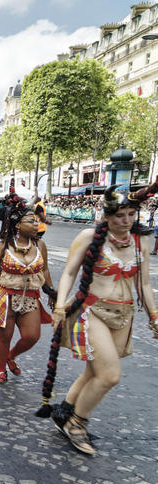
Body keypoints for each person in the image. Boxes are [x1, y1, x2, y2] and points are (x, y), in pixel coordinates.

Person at [38, 185, 158, 455]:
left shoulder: (141, 240)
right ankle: (76, 423)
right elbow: (69, 273)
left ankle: (64, 412)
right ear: (106, 216)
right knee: (109, 375)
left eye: (131, 214)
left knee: (94, 372)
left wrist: (154, 316)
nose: (126, 221)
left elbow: (145, 284)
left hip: (124, 313)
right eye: (120, 216)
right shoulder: (88, 236)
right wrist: (59, 307)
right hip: (92, 311)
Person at [0, 194, 56, 383]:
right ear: (18, 225)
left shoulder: (40, 245)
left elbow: (44, 269)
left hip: (30, 297)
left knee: (32, 336)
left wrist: (51, 291)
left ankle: (11, 356)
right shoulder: (2, 245)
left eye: (36, 221)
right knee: (5, 336)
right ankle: (1, 369)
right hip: (5, 297)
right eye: (31, 221)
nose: (36, 224)